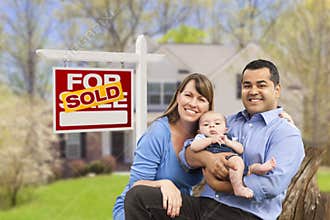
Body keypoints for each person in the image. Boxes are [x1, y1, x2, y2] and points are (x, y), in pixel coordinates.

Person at [124, 59, 305, 220]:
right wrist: (207, 159)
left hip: (245, 214)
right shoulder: (228, 122)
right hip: (204, 206)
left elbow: (272, 185)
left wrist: (220, 185)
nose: (253, 91)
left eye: (261, 85)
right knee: (139, 197)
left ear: (277, 90)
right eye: (247, 85)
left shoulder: (286, 133)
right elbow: (186, 154)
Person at [113, 73, 236, 219]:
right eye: (188, 95)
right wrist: (163, 184)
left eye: (201, 99)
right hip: (139, 209)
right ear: (178, 96)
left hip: (174, 209)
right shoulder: (158, 132)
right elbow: (135, 186)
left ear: (208, 107)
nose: (193, 103)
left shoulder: (206, 138)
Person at [188, 110, 276, 199]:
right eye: (206, 125)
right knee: (237, 163)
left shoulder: (227, 137)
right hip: (214, 168)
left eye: (217, 123)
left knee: (239, 162)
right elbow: (194, 147)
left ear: (225, 129)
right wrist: (210, 140)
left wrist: (228, 142)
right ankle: (238, 187)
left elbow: (240, 149)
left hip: (231, 162)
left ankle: (256, 169)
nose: (212, 126)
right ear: (199, 131)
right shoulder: (201, 137)